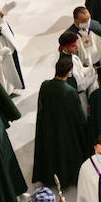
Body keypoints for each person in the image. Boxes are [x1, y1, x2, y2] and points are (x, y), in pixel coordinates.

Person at [31, 54, 90, 189]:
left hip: (47, 125)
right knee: (63, 153)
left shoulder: (45, 85)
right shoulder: (69, 91)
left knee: (50, 153)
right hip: (64, 128)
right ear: (69, 72)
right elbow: (77, 115)